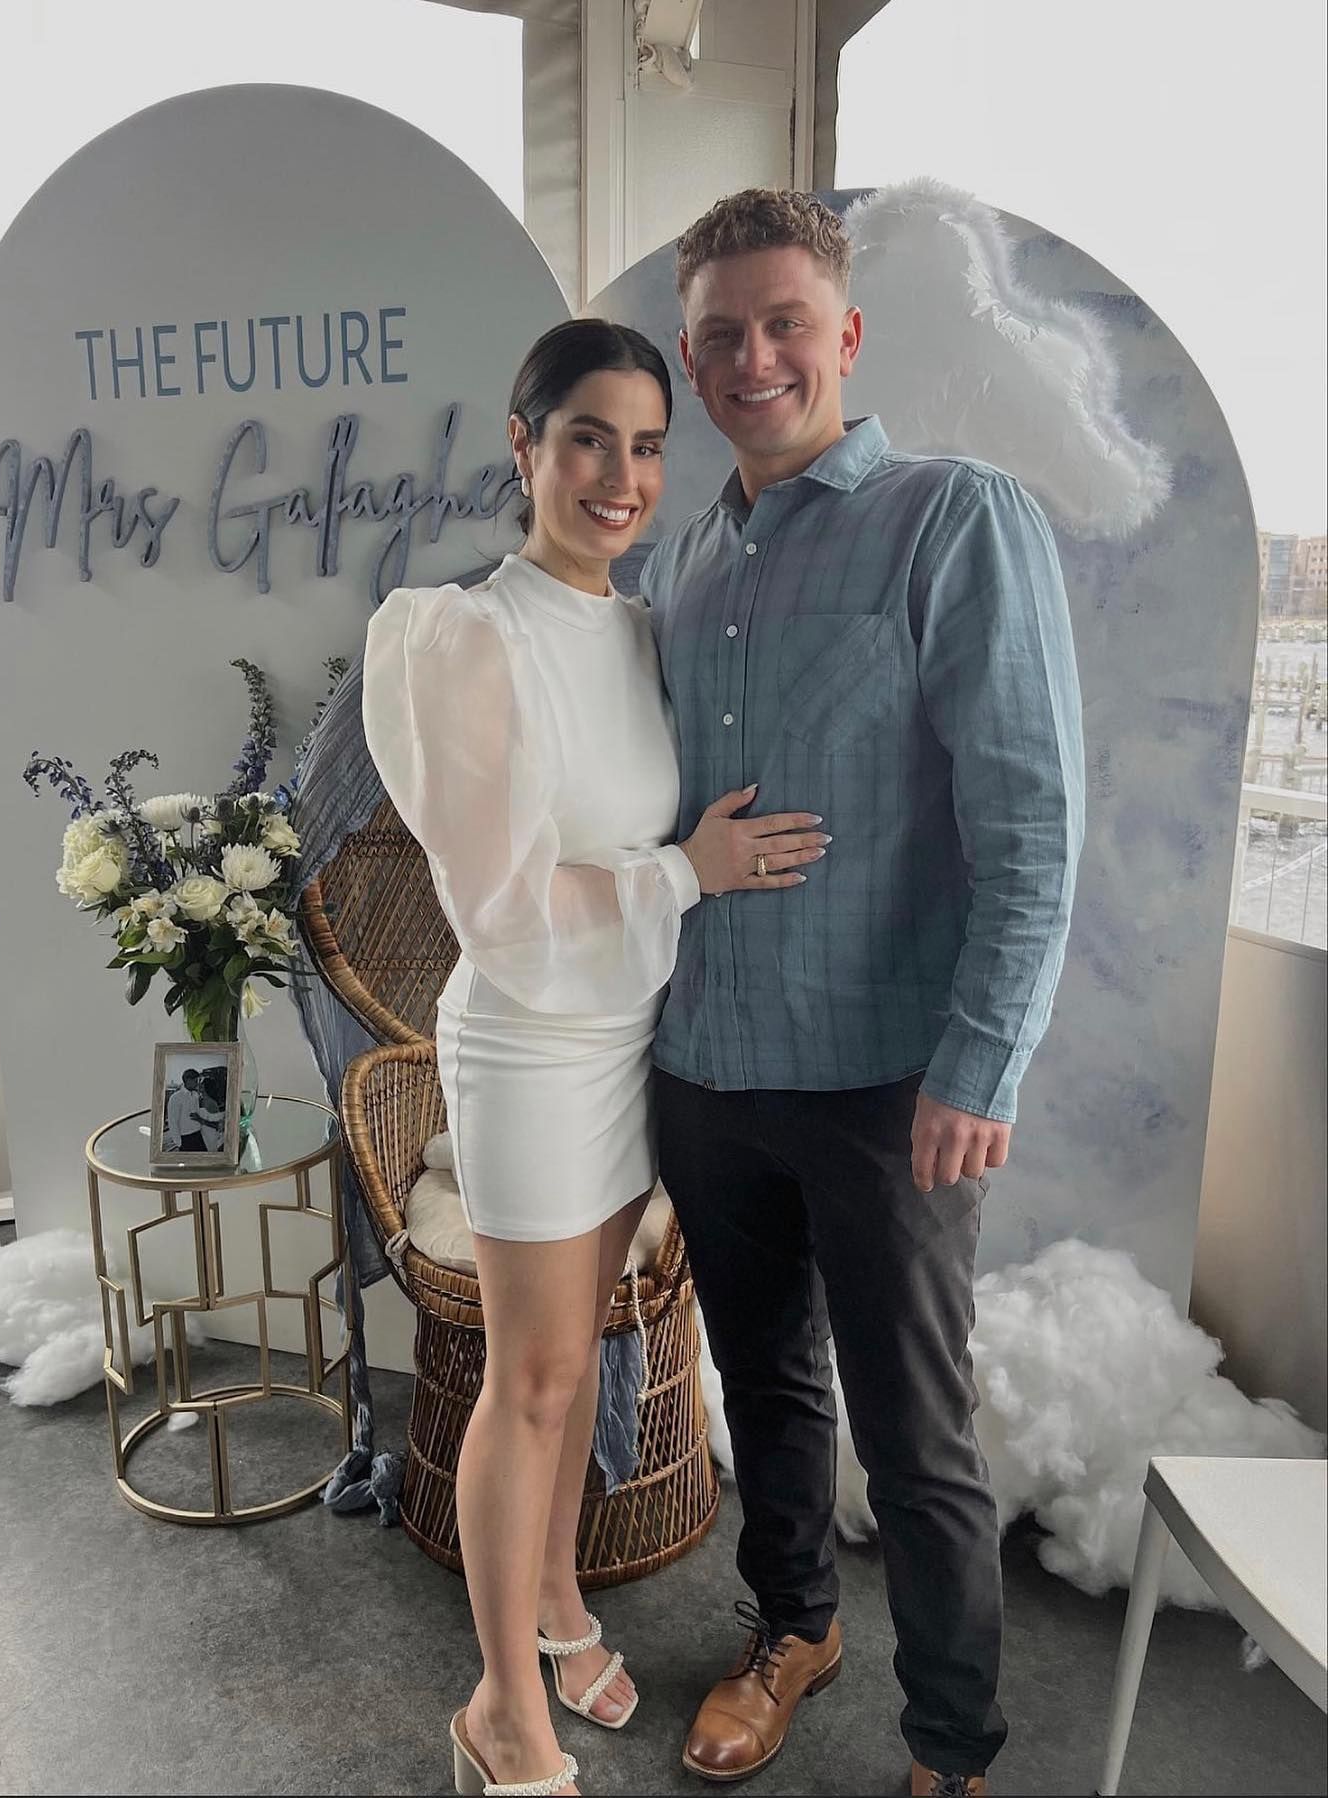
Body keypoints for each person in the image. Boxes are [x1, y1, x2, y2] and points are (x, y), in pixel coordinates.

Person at [639, 190, 1085, 1798]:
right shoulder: (685, 559)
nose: (752, 357)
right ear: (693, 365)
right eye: (720, 336)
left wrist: (984, 1057)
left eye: (780, 322)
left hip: (890, 1075)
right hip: (707, 1066)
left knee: (918, 1439)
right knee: (761, 1383)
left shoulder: (953, 517)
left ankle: (952, 1748)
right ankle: (791, 1627)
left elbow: (1031, 813)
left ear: (844, 333)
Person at [361, 318, 828, 1798]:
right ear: (523, 444)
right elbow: (498, 910)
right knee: (542, 1374)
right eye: (586, 439)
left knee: (589, 1353)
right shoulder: (469, 636)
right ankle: (505, 1709)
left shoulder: (636, 627)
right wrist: (693, 873)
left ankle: (560, 1597)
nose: (621, 475)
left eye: (644, 444)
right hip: (536, 1044)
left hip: (635, 1037)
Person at [163, 1068, 206, 1152]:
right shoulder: (176, 1098)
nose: (197, 1083)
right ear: (188, 1080)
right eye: (195, 1080)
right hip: (186, 1139)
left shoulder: (195, 1095)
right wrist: (179, 1143)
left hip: (198, 1136)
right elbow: (173, 1122)